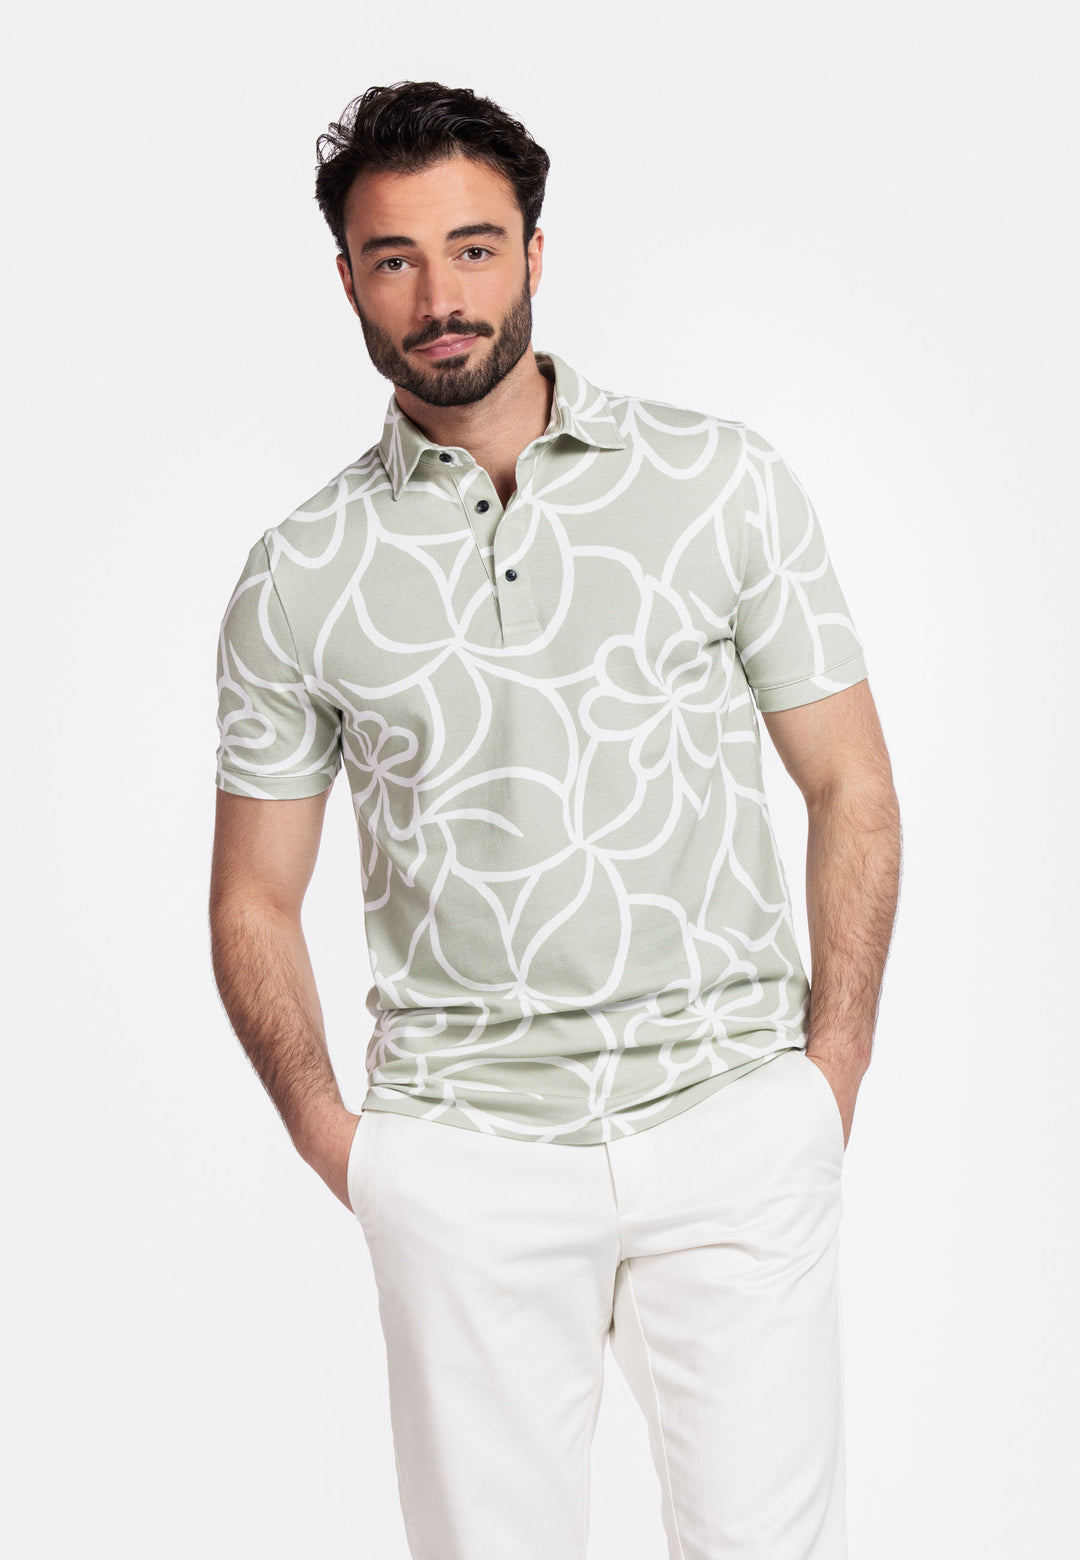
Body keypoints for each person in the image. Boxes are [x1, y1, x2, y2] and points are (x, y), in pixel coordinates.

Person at [209, 79, 902, 1560]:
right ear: (347, 279)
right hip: (465, 1156)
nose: (440, 298)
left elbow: (851, 785)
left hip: (730, 1119)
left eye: (474, 248)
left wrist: (829, 1071)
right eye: (395, 260)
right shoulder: (300, 574)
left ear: (534, 251)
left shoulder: (720, 483)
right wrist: (347, 1148)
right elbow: (252, 896)